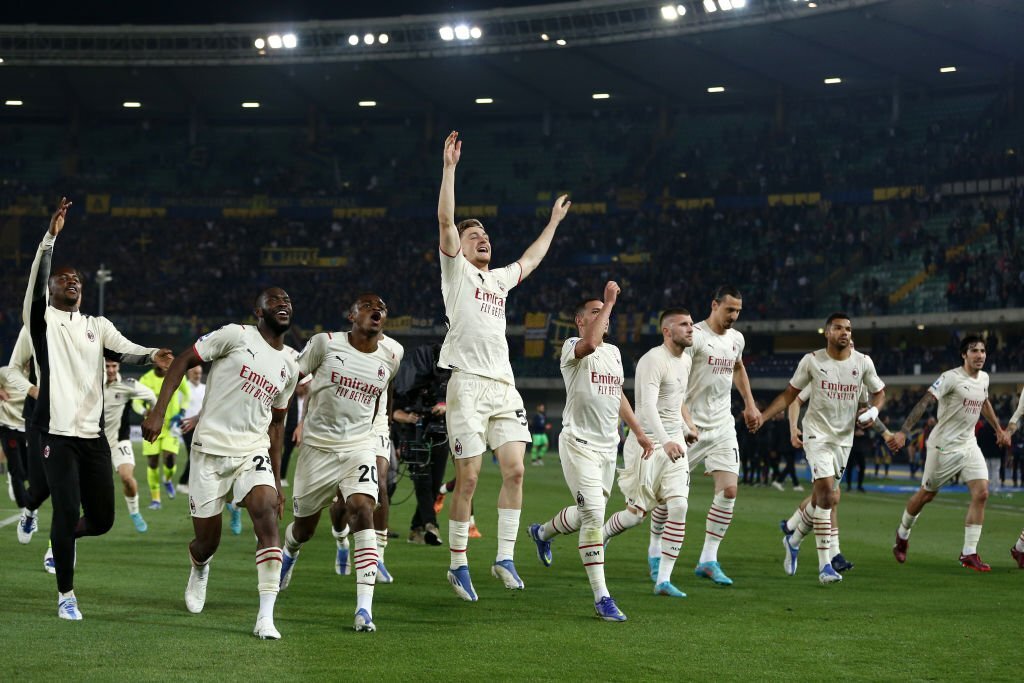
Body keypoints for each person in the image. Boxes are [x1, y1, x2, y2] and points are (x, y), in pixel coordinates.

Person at [436, 130, 571, 600]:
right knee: (469, 475)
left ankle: (505, 557)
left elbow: (531, 259)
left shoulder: (497, 282)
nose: (482, 240)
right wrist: (450, 168)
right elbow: (446, 220)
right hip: (467, 384)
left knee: (515, 470)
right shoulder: (456, 272)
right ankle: (458, 564)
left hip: (502, 386)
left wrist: (553, 222)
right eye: (476, 236)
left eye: (486, 236)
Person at [26, 197, 173, 620]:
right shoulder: (41, 320)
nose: (72, 282)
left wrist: (153, 356)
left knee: (104, 519)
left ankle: (60, 541)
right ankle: (66, 595)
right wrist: (50, 239)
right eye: (63, 279)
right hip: (56, 433)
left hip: (93, 438)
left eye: (77, 279)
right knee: (67, 508)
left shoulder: (97, 326)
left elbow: (128, 350)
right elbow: (36, 279)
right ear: (51, 290)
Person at [142, 287, 298, 639]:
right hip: (209, 450)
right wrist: (159, 412)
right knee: (207, 541)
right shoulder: (234, 335)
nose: (283, 304)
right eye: (274, 300)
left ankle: (265, 617)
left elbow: (276, 424)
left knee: (266, 514)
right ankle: (199, 566)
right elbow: (183, 360)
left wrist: (277, 479)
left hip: (252, 451)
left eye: (287, 300)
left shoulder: (291, 363)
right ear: (257, 311)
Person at [528, 284, 652, 621]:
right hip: (578, 443)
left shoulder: (613, 354)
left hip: (608, 448)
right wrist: (610, 302)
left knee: (587, 514)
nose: (603, 316)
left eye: (604, 311)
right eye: (594, 312)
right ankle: (602, 598)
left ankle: (542, 533)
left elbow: (618, 395)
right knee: (595, 514)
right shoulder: (573, 346)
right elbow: (590, 343)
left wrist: (638, 431)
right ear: (580, 321)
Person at [279, 293, 400, 633]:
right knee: (303, 528)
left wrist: (382, 437)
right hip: (317, 448)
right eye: (367, 306)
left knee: (364, 506)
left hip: (358, 446)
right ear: (351, 315)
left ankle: (364, 610)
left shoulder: (392, 356)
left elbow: (382, 400)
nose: (377, 310)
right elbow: (289, 380)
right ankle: (290, 552)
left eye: (382, 307)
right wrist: (289, 421)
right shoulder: (324, 344)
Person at [758, 313, 885, 585]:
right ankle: (825, 565)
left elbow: (878, 394)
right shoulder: (812, 362)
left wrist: (873, 413)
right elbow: (791, 397)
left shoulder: (862, 364)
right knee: (828, 493)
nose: (844, 333)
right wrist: (768, 418)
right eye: (838, 328)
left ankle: (793, 537)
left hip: (844, 441)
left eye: (848, 329)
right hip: (816, 436)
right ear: (827, 333)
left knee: (824, 498)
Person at [886, 335, 1006, 571]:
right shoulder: (950, 378)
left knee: (981, 493)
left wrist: (999, 429)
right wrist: (903, 432)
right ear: (964, 355)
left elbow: (984, 402)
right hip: (943, 447)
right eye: (974, 351)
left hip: (969, 444)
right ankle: (902, 534)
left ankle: (969, 553)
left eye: (982, 351)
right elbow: (925, 401)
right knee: (926, 496)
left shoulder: (984, 378)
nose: (979, 355)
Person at [602, 308, 694, 597]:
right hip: (646, 445)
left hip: (672, 442)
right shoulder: (653, 360)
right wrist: (665, 440)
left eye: (691, 324)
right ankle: (602, 535)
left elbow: (675, 402)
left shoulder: (687, 360)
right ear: (667, 331)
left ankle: (663, 581)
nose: (691, 329)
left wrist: (686, 427)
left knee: (678, 506)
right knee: (635, 515)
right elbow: (647, 408)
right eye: (683, 324)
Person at [677, 285, 760, 587]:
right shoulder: (694, 337)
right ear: (714, 305)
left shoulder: (736, 339)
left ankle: (708, 559)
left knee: (729, 491)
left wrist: (750, 404)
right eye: (729, 310)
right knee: (663, 495)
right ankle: (646, 549)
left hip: (723, 424)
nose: (734, 316)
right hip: (690, 427)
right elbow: (675, 380)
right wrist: (685, 420)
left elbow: (738, 368)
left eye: (738, 311)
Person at [324, 330, 404, 584]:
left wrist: (387, 422)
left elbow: (389, 388)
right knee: (341, 501)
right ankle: (341, 539)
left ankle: (378, 557)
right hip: (345, 426)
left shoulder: (393, 349)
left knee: (380, 485)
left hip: (377, 425)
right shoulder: (338, 347)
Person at [391, 342, 450, 547]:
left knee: (434, 485)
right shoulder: (406, 385)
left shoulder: (447, 384)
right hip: (414, 436)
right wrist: (409, 418)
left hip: (441, 435)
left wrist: (445, 405)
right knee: (422, 483)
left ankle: (415, 530)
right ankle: (431, 526)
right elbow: (393, 412)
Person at [103, 359, 157, 532]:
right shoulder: (91, 383)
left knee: (127, 478)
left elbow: (151, 397)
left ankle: (134, 512)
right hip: (94, 443)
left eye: (114, 366)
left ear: (118, 367)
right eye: (107, 366)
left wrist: (151, 414)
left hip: (119, 441)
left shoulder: (128, 385)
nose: (111, 370)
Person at [135, 364, 190, 509]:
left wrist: (182, 411)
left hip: (170, 427)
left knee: (170, 458)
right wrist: (143, 412)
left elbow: (186, 394)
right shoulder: (146, 379)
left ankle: (167, 479)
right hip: (152, 426)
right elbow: (136, 401)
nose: (166, 366)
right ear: (155, 364)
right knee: (152, 462)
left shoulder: (177, 374)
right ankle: (156, 500)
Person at [178, 365, 206, 493]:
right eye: (195, 373)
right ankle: (183, 482)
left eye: (199, 373)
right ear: (189, 373)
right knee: (193, 453)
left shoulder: (205, 389)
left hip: (202, 427)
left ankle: (195, 482)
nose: (198, 375)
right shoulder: (183, 389)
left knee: (200, 454)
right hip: (187, 426)